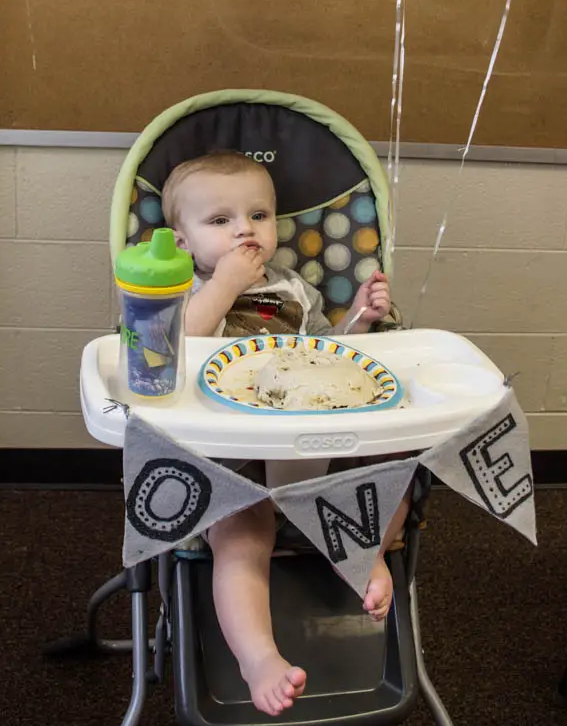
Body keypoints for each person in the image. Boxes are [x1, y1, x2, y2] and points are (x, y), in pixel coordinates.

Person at [161, 151, 410, 717]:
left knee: (398, 466)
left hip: (313, 433)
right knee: (243, 537)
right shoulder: (181, 287)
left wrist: (362, 320)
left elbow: (329, 350)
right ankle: (258, 657)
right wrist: (224, 284)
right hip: (232, 448)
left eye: (258, 215)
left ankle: (364, 550)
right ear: (182, 242)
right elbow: (173, 352)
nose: (244, 230)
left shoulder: (294, 287)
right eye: (220, 221)